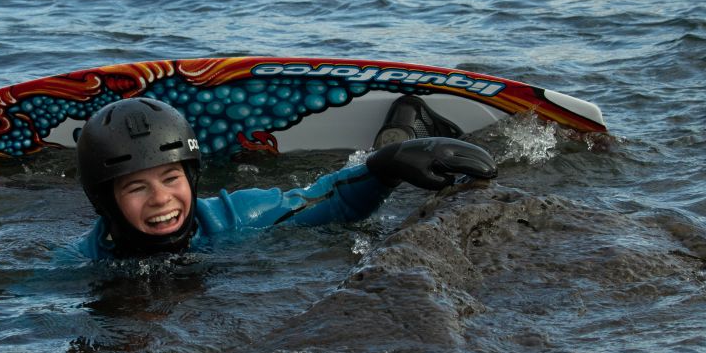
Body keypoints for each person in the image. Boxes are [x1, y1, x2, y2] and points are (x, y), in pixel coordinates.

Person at [75, 97, 497, 260]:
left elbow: (327, 201)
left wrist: (387, 164)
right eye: (136, 186)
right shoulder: (81, 261)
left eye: (171, 178)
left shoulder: (235, 217)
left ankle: (406, 125)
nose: (161, 199)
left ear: (192, 176)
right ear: (104, 200)